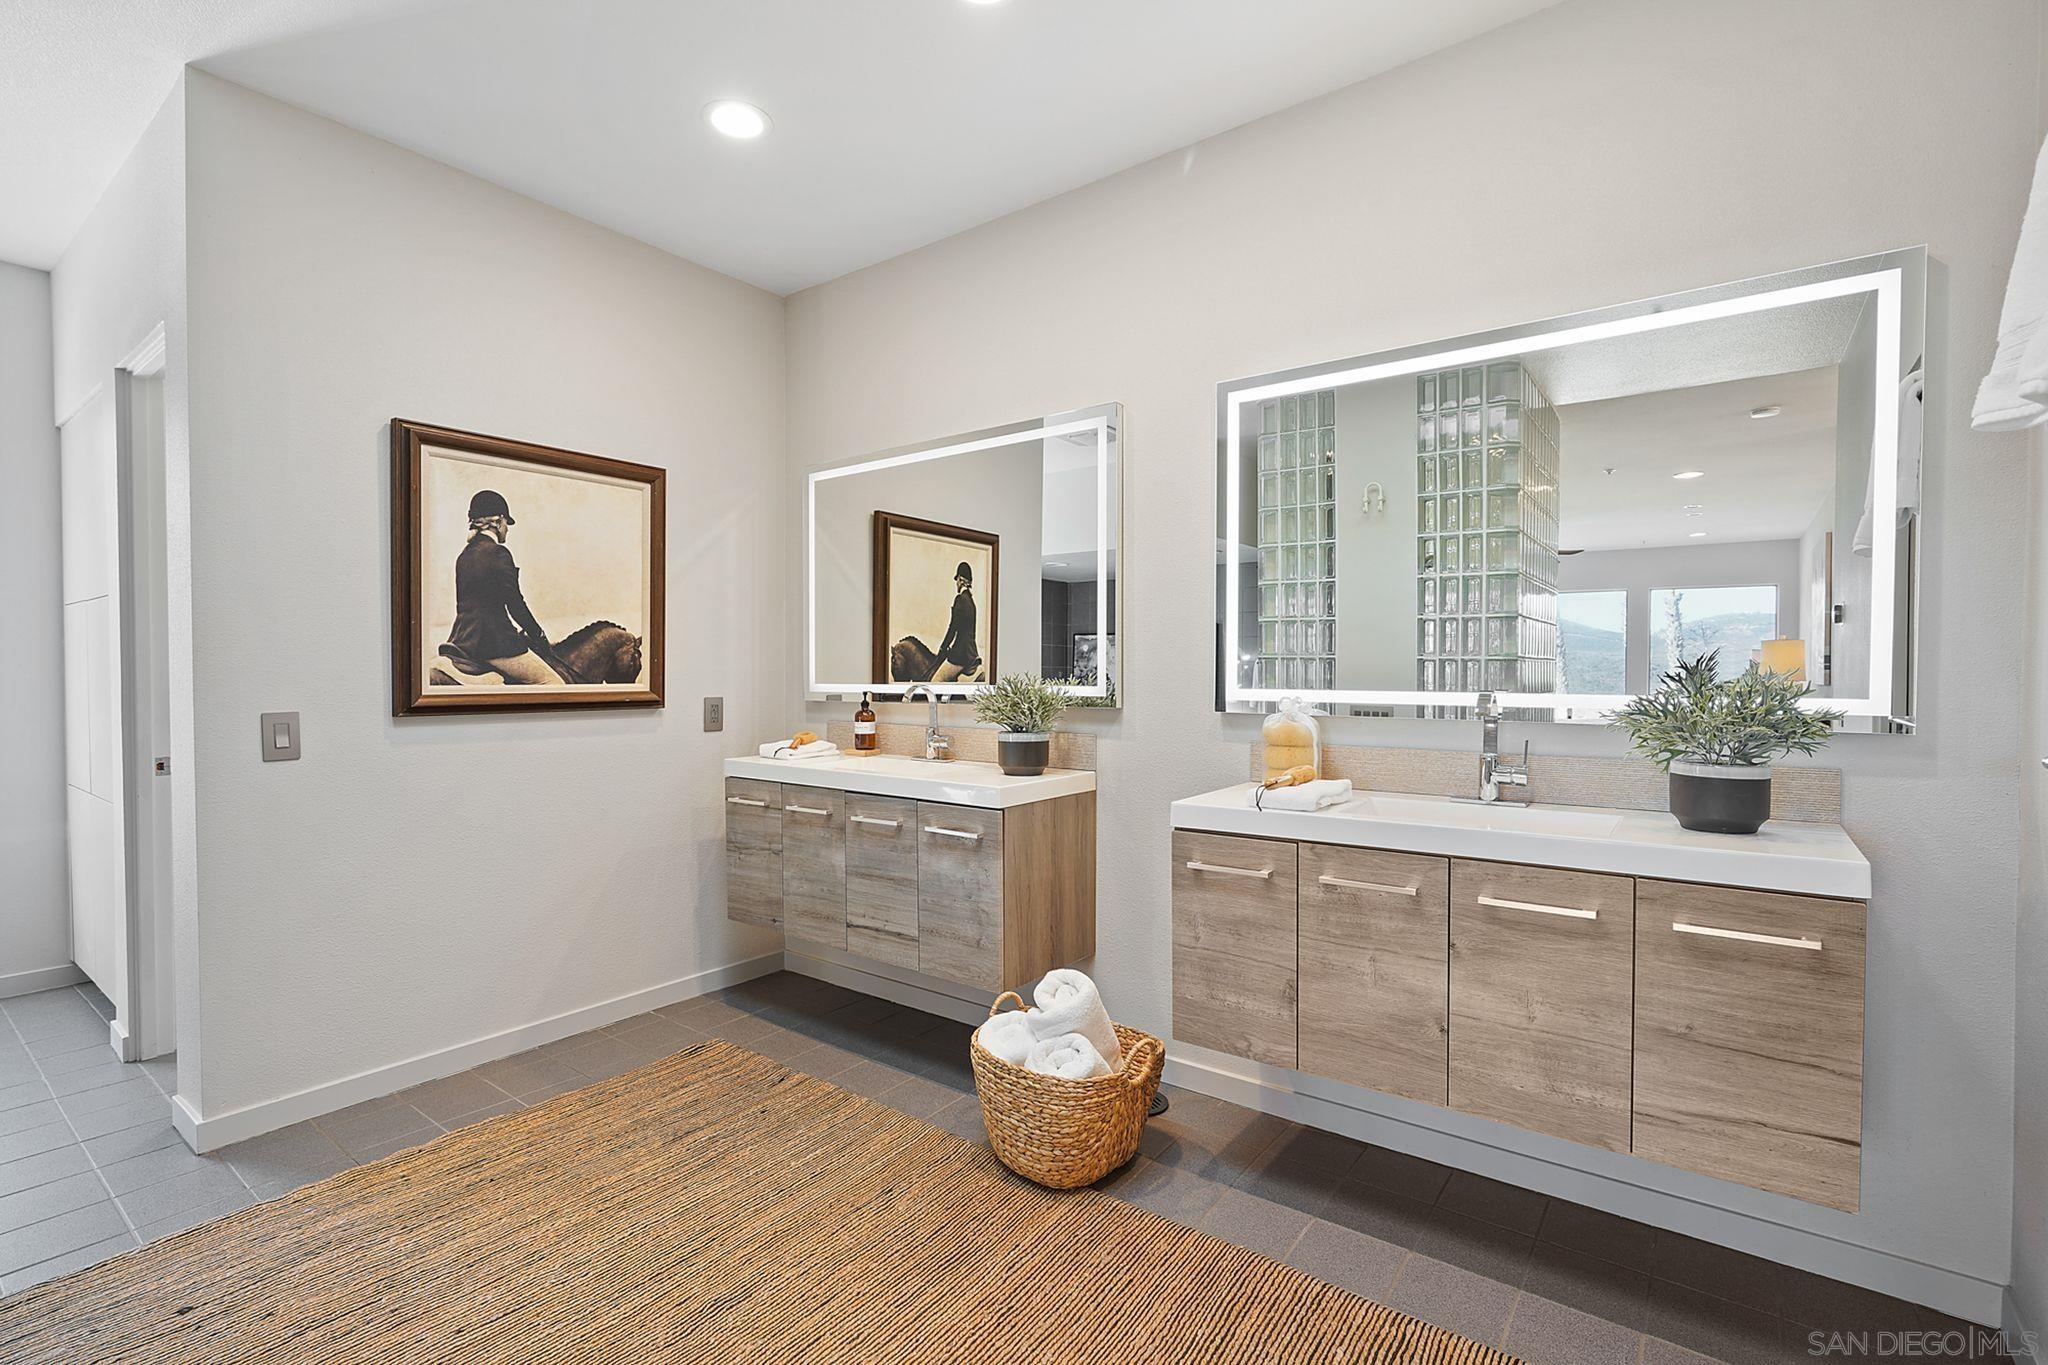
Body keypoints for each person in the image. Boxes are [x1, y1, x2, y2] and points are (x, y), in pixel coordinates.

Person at [437, 490, 564, 685]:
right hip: (494, 642)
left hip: (462, 639)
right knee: (553, 684)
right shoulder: (499, 553)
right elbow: (515, 603)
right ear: (498, 522)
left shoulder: (464, 556)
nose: (507, 529)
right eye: (506, 524)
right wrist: (537, 634)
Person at [930, 560, 981, 683]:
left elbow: (953, 628)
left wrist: (943, 648)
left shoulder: (960, 599)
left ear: (960, 580)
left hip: (961, 655)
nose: (956, 584)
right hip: (971, 653)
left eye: (956, 581)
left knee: (936, 681)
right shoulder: (971, 601)